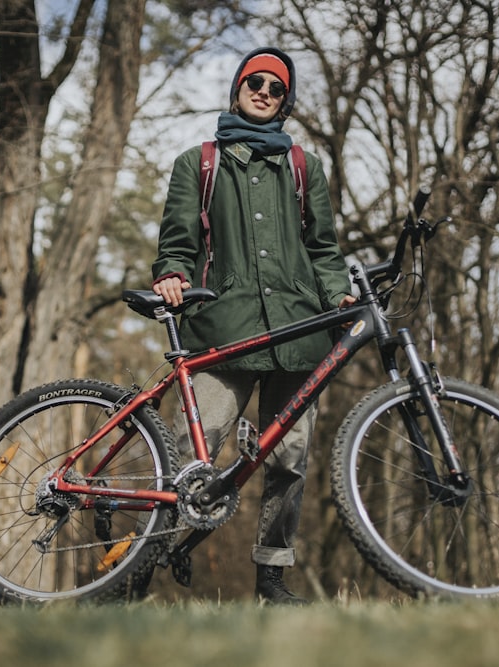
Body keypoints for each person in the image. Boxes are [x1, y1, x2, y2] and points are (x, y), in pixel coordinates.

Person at [151, 47, 354, 604]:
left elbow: (324, 249)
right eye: (254, 82)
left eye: (276, 87)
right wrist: (171, 272)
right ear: (238, 88)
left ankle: (272, 574)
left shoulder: (304, 167)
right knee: (194, 451)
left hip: (299, 333)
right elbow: (177, 240)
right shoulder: (201, 162)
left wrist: (337, 292)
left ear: (285, 101)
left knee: (289, 457)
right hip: (222, 328)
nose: (264, 91)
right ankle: (145, 558)